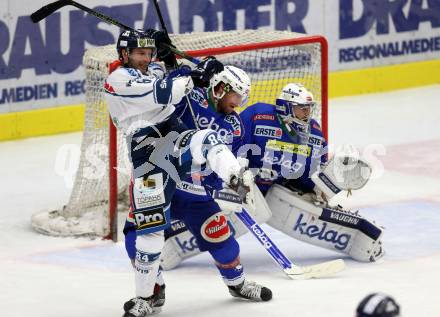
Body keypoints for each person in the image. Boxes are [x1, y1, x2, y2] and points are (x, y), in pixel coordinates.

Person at [104, 29, 254, 317]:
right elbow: (164, 92)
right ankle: (147, 297)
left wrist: (166, 53)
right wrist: (194, 75)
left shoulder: (152, 69)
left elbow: (171, 74)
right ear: (124, 54)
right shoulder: (118, 79)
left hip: (174, 138)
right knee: (148, 235)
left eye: (148, 53)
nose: (145, 59)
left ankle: (237, 175)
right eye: (140, 53)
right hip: (148, 154)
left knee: (207, 139)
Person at [239, 83, 385, 263]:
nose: (307, 113)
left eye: (308, 108)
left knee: (301, 200)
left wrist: (324, 186)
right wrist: (237, 173)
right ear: (286, 107)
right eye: (302, 108)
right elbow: (234, 144)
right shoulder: (258, 116)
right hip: (243, 187)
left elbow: (313, 177)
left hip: (278, 193)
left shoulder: (314, 134)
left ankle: (361, 239)